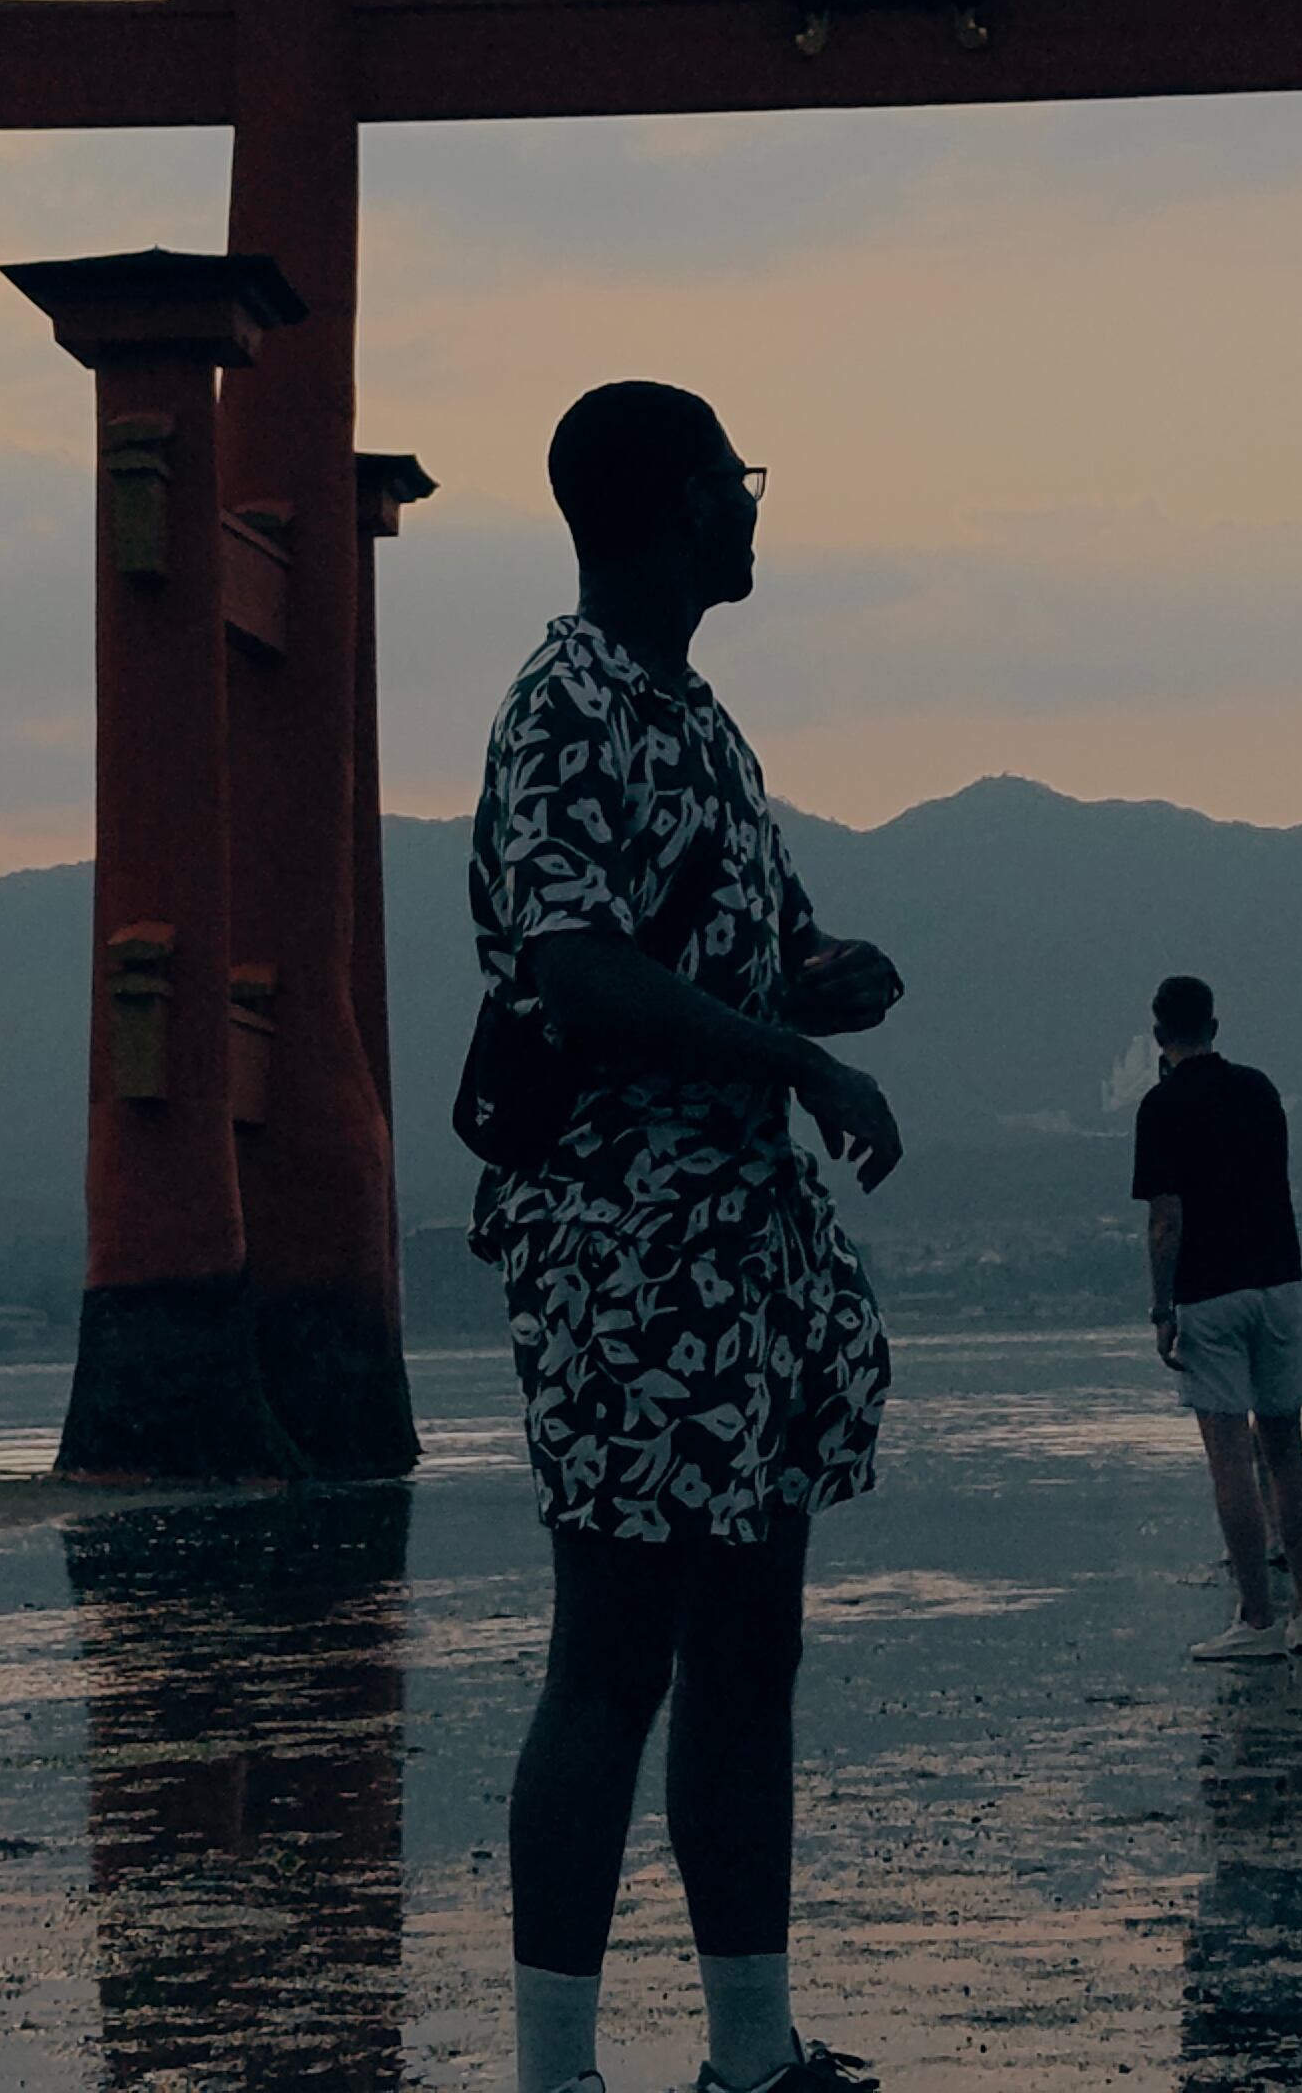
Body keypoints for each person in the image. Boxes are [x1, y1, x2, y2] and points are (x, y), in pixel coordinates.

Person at [471, 381, 907, 2093]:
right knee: (613, 1657)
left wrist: (824, 982)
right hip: (624, 1246)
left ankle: (749, 2047)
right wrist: (793, 1052)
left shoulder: (702, 721)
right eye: (734, 479)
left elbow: (752, 942)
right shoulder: (559, 710)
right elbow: (573, 966)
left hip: (748, 1248)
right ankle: (554, 2070)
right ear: (666, 507)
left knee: (749, 1648)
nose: (751, 508)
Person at [1136, 974, 1302, 1662]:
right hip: (1280, 1280)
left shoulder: (1160, 1106)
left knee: (1230, 1462)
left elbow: (1166, 1220)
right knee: (1287, 1452)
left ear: (1160, 1035)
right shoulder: (1261, 1090)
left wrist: (1161, 1309)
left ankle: (1256, 1616)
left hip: (1210, 1294)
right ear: (1216, 1025)